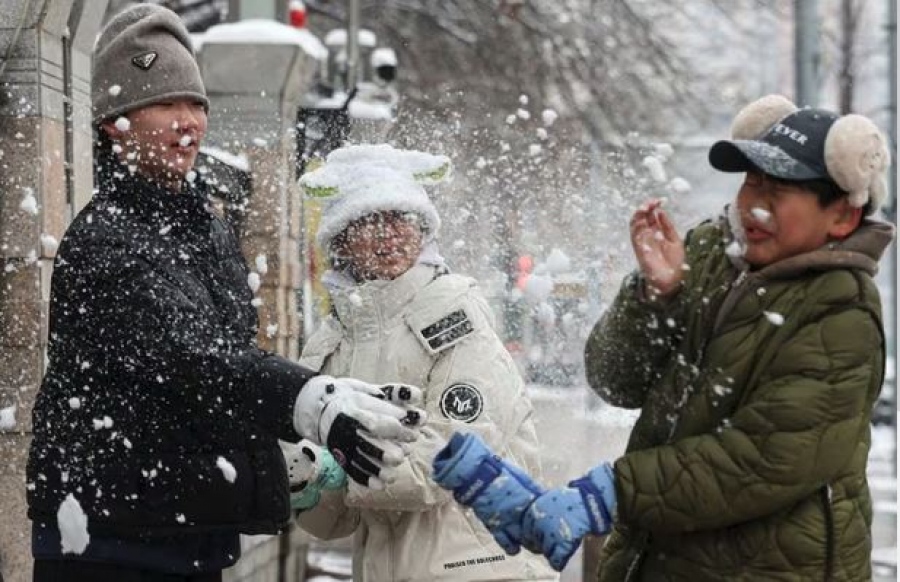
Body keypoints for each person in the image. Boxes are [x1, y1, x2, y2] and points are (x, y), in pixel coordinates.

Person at [25, 6, 425, 581]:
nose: (189, 123)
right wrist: (309, 401)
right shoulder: (106, 243)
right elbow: (197, 361)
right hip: (107, 547)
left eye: (197, 105)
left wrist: (277, 454)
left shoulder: (204, 226)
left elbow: (218, 380)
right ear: (115, 122)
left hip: (187, 539)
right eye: (166, 105)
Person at [432, 94, 894, 581]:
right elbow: (613, 380)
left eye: (780, 191)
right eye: (752, 183)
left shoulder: (842, 310)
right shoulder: (708, 255)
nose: (756, 205)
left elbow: (765, 457)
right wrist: (658, 296)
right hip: (657, 557)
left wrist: (613, 493)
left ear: (841, 215)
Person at [290, 144, 558, 581]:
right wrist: (304, 482)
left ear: (424, 232)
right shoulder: (332, 343)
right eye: (370, 221)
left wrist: (337, 469)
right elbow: (333, 522)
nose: (390, 234)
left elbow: (446, 463)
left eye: (403, 219)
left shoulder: (456, 317)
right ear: (340, 239)